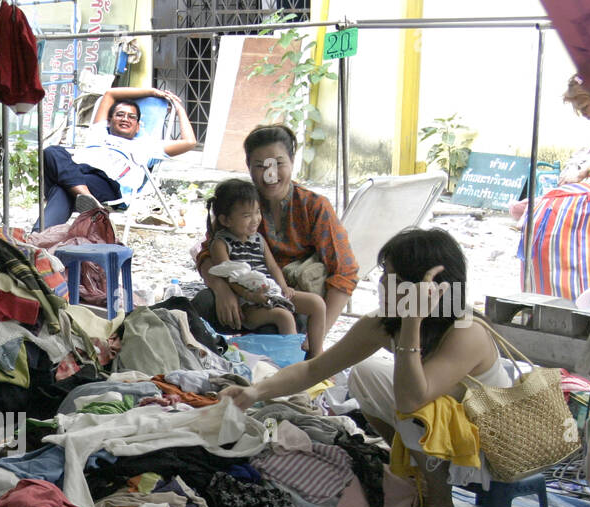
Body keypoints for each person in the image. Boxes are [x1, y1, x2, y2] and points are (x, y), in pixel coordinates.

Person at [219, 228, 510, 507]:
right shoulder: (386, 323)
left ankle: (439, 502)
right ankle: (419, 470)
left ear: (427, 287)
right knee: (364, 374)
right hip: (445, 431)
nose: (382, 283)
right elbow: (315, 369)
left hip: (489, 448)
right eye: (385, 274)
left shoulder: (466, 331)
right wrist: (255, 392)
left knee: (416, 406)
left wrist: (412, 321)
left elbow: (412, 398)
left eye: (393, 276)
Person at [194, 125, 357, 355]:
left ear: (292, 162)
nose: (270, 174)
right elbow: (207, 253)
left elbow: (345, 273)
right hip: (243, 296)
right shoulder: (240, 201)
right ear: (248, 166)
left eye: (278, 164)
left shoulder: (314, 207)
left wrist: (315, 338)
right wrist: (222, 289)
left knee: (275, 325)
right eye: (260, 166)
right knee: (201, 304)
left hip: (291, 301)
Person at [38, 87, 197, 229]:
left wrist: (179, 107)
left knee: (62, 189)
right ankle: (87, 200)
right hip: (78, 173)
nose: (125, 118)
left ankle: (36, 238)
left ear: (138, 126)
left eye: (131, 117)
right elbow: (110, 94)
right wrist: (153, 92)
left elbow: (190, 142)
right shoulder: (98, 132)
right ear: (109, 121)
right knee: (52, 151)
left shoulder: (146, 146)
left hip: (107, 184)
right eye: (120, 114)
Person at [203, 178, 326, 343]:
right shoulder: (220, 244)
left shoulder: (258, 239)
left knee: (317, 303)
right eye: (247, 215)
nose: (255, 219)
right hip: (247, 304)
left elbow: (273, 266)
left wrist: (283, 287)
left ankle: (316, 354)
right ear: (226, 220)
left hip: (271, 291)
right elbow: (229, 276)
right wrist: (250, 295)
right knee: (284, 317)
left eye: (257, 212)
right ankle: (291, 362)